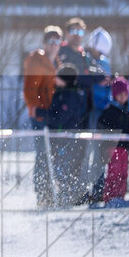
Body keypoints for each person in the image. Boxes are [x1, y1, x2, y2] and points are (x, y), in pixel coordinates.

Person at [23, 25, 62, 206]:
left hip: (54, 115)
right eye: (51, 41)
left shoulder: (57, 63)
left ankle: (52, 193)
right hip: (39, 114)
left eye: (57, 41)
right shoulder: (36, 60)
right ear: (45, 43)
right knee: (42, 155)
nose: (54, 45)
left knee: (53, 155)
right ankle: (42, 195)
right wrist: (36, 107)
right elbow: (30, 87)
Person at [46, 64, 89, 206]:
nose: (56, 79)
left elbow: (60, 117)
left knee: (66, 168)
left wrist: (42, 114)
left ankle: (70, 196)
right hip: (60, 138)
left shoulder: (70, 95)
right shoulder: (62, 92)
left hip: (68, 139)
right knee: (61, 168)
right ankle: (66, 195)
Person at [93, 77, 129, 202]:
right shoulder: (109, 110)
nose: (123, 97)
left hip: (124, 148)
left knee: (123, 173)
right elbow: (101, 125)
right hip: (112, 148)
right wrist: (109, 141)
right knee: (113, 173)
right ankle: (110, 195)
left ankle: (121, 194)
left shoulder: (128, 111)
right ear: (115, 95)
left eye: (125, 94)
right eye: (120, 94)